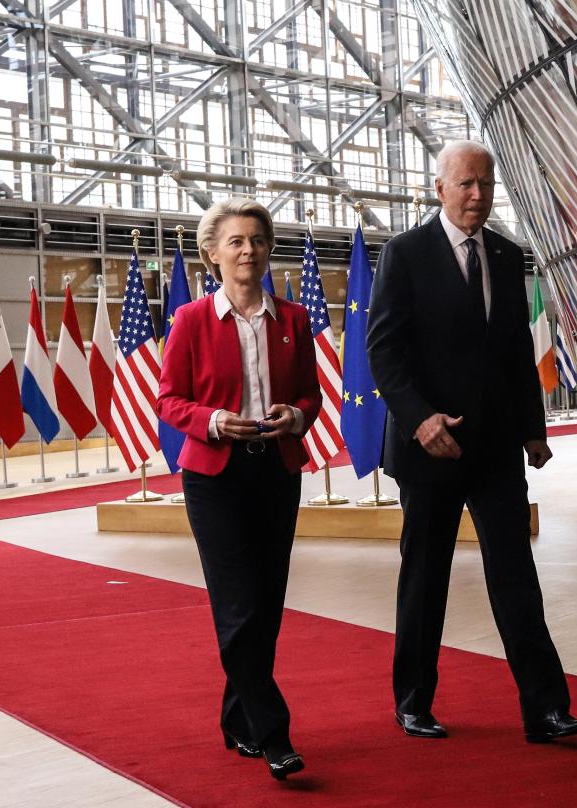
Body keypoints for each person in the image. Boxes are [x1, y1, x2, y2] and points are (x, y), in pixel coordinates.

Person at [367, 141, 577, 745]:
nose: (478, 194)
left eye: (486, 184)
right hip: (428, 448)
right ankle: (413, 701)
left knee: (516, 573)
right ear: (437, 188)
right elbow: (383, 352)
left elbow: (517, 354)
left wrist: (532, 429)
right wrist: (420, 420)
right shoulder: (404, 253)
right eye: (466, 183)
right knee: (426, 576)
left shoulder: (506, 253)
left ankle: (545, 710)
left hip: (494, 449)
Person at [157, 198, 321, 780]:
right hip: (215, 478)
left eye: (256, 239)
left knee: (266, 603)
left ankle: (236, 718)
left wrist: (295, 418)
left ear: (268, 247)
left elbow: (311, 395)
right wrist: (212, 421)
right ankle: (273, 733)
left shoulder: (295, 320)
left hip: (275, 471)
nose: (247, 250)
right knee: (237, 602)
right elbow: (169, 400)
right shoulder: (191, 321)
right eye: (235, 241)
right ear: (212, 255)